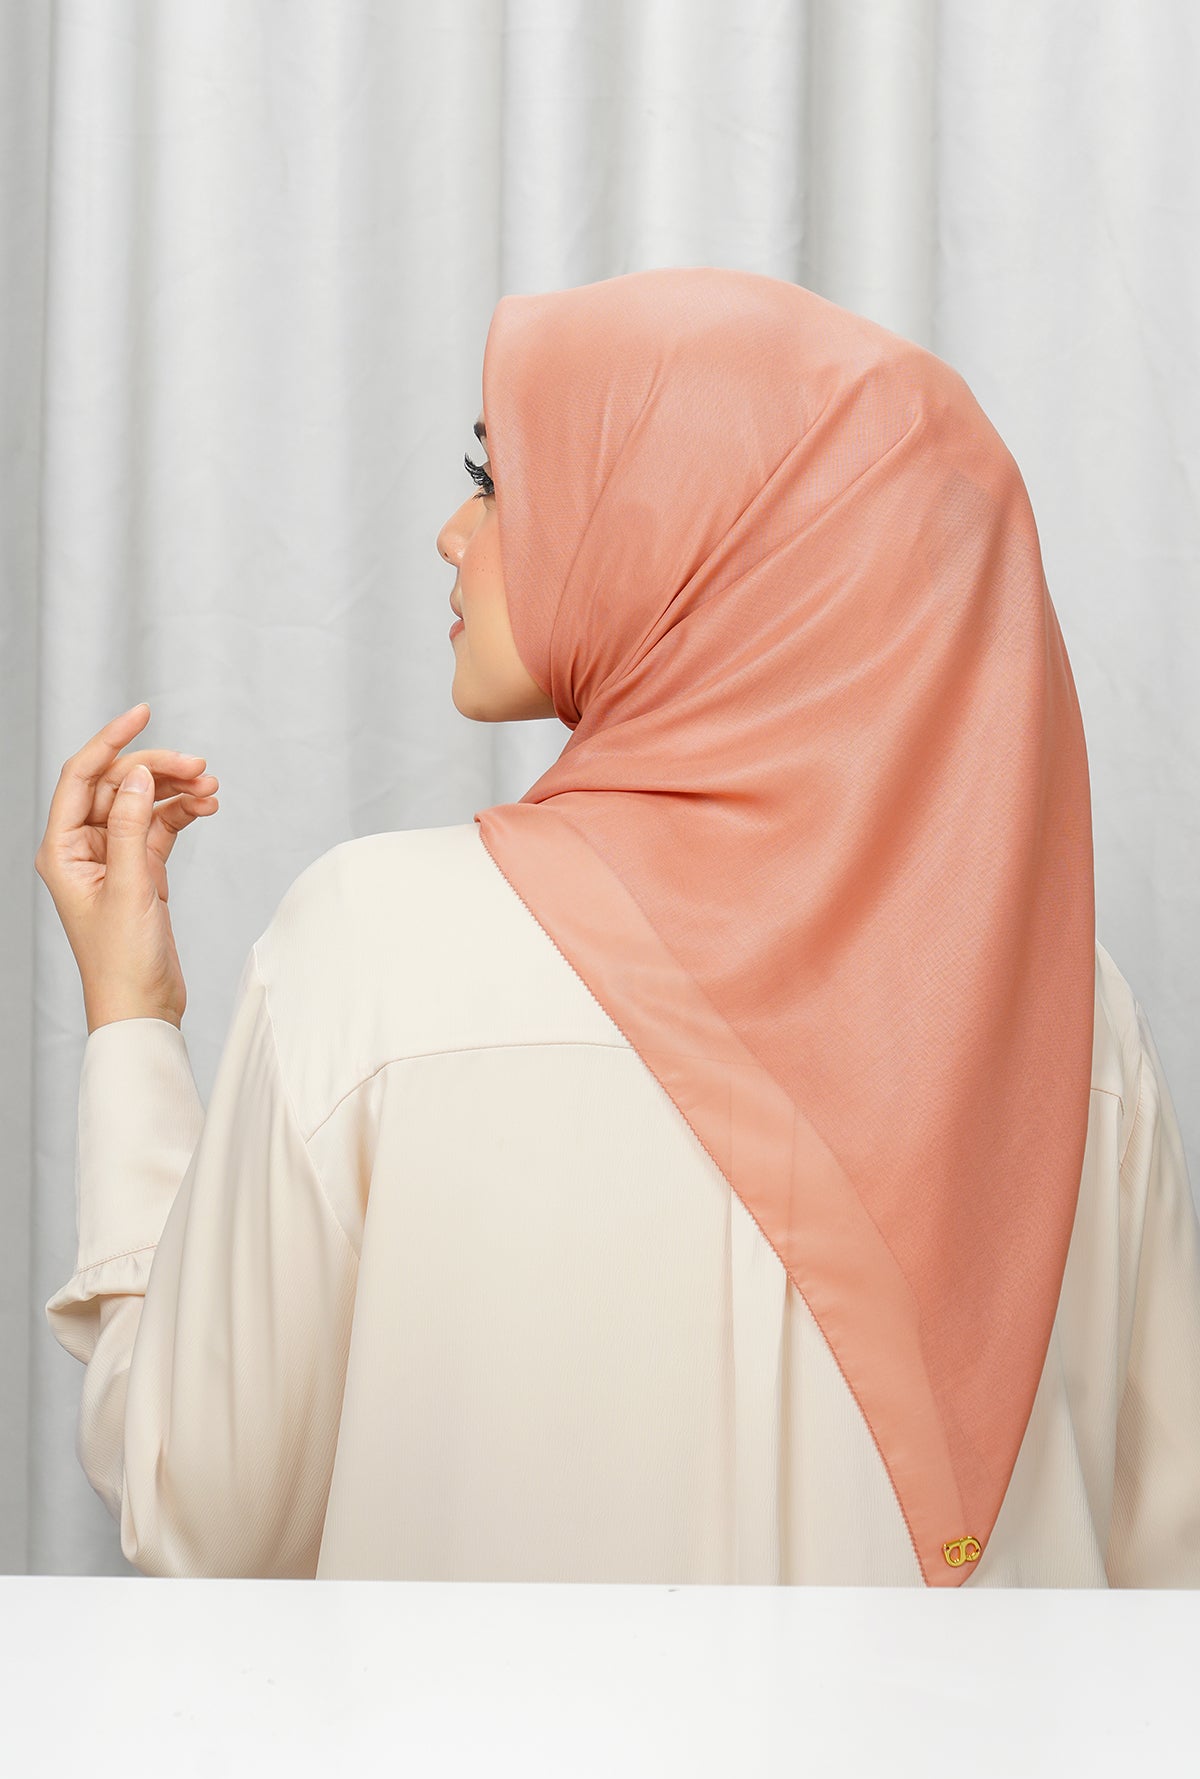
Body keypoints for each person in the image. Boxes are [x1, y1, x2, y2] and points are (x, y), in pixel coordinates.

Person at [45, 267, 1200, 1584]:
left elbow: (198, 1509)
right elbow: (1167, 1573)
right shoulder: (1067, 1011)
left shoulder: (375, 951)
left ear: (687, 530)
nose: (452, 533)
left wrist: (131, 1023)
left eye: (496, 478)